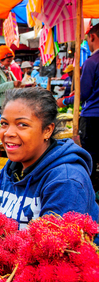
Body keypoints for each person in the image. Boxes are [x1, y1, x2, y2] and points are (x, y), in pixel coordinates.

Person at [0, 87, 98, 231]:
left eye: (22, 125)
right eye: (4, 123)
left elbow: (55, 248)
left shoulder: (66, 181)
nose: (8, 133)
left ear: (47, 130)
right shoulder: (9, 170)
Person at [58, 22, 99, 190]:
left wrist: (64, 101)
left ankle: (87, 192)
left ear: (92, 37)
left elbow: (84, 94)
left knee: (89, 157)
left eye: (88, 40)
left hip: (93, 118)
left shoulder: (92, 61)